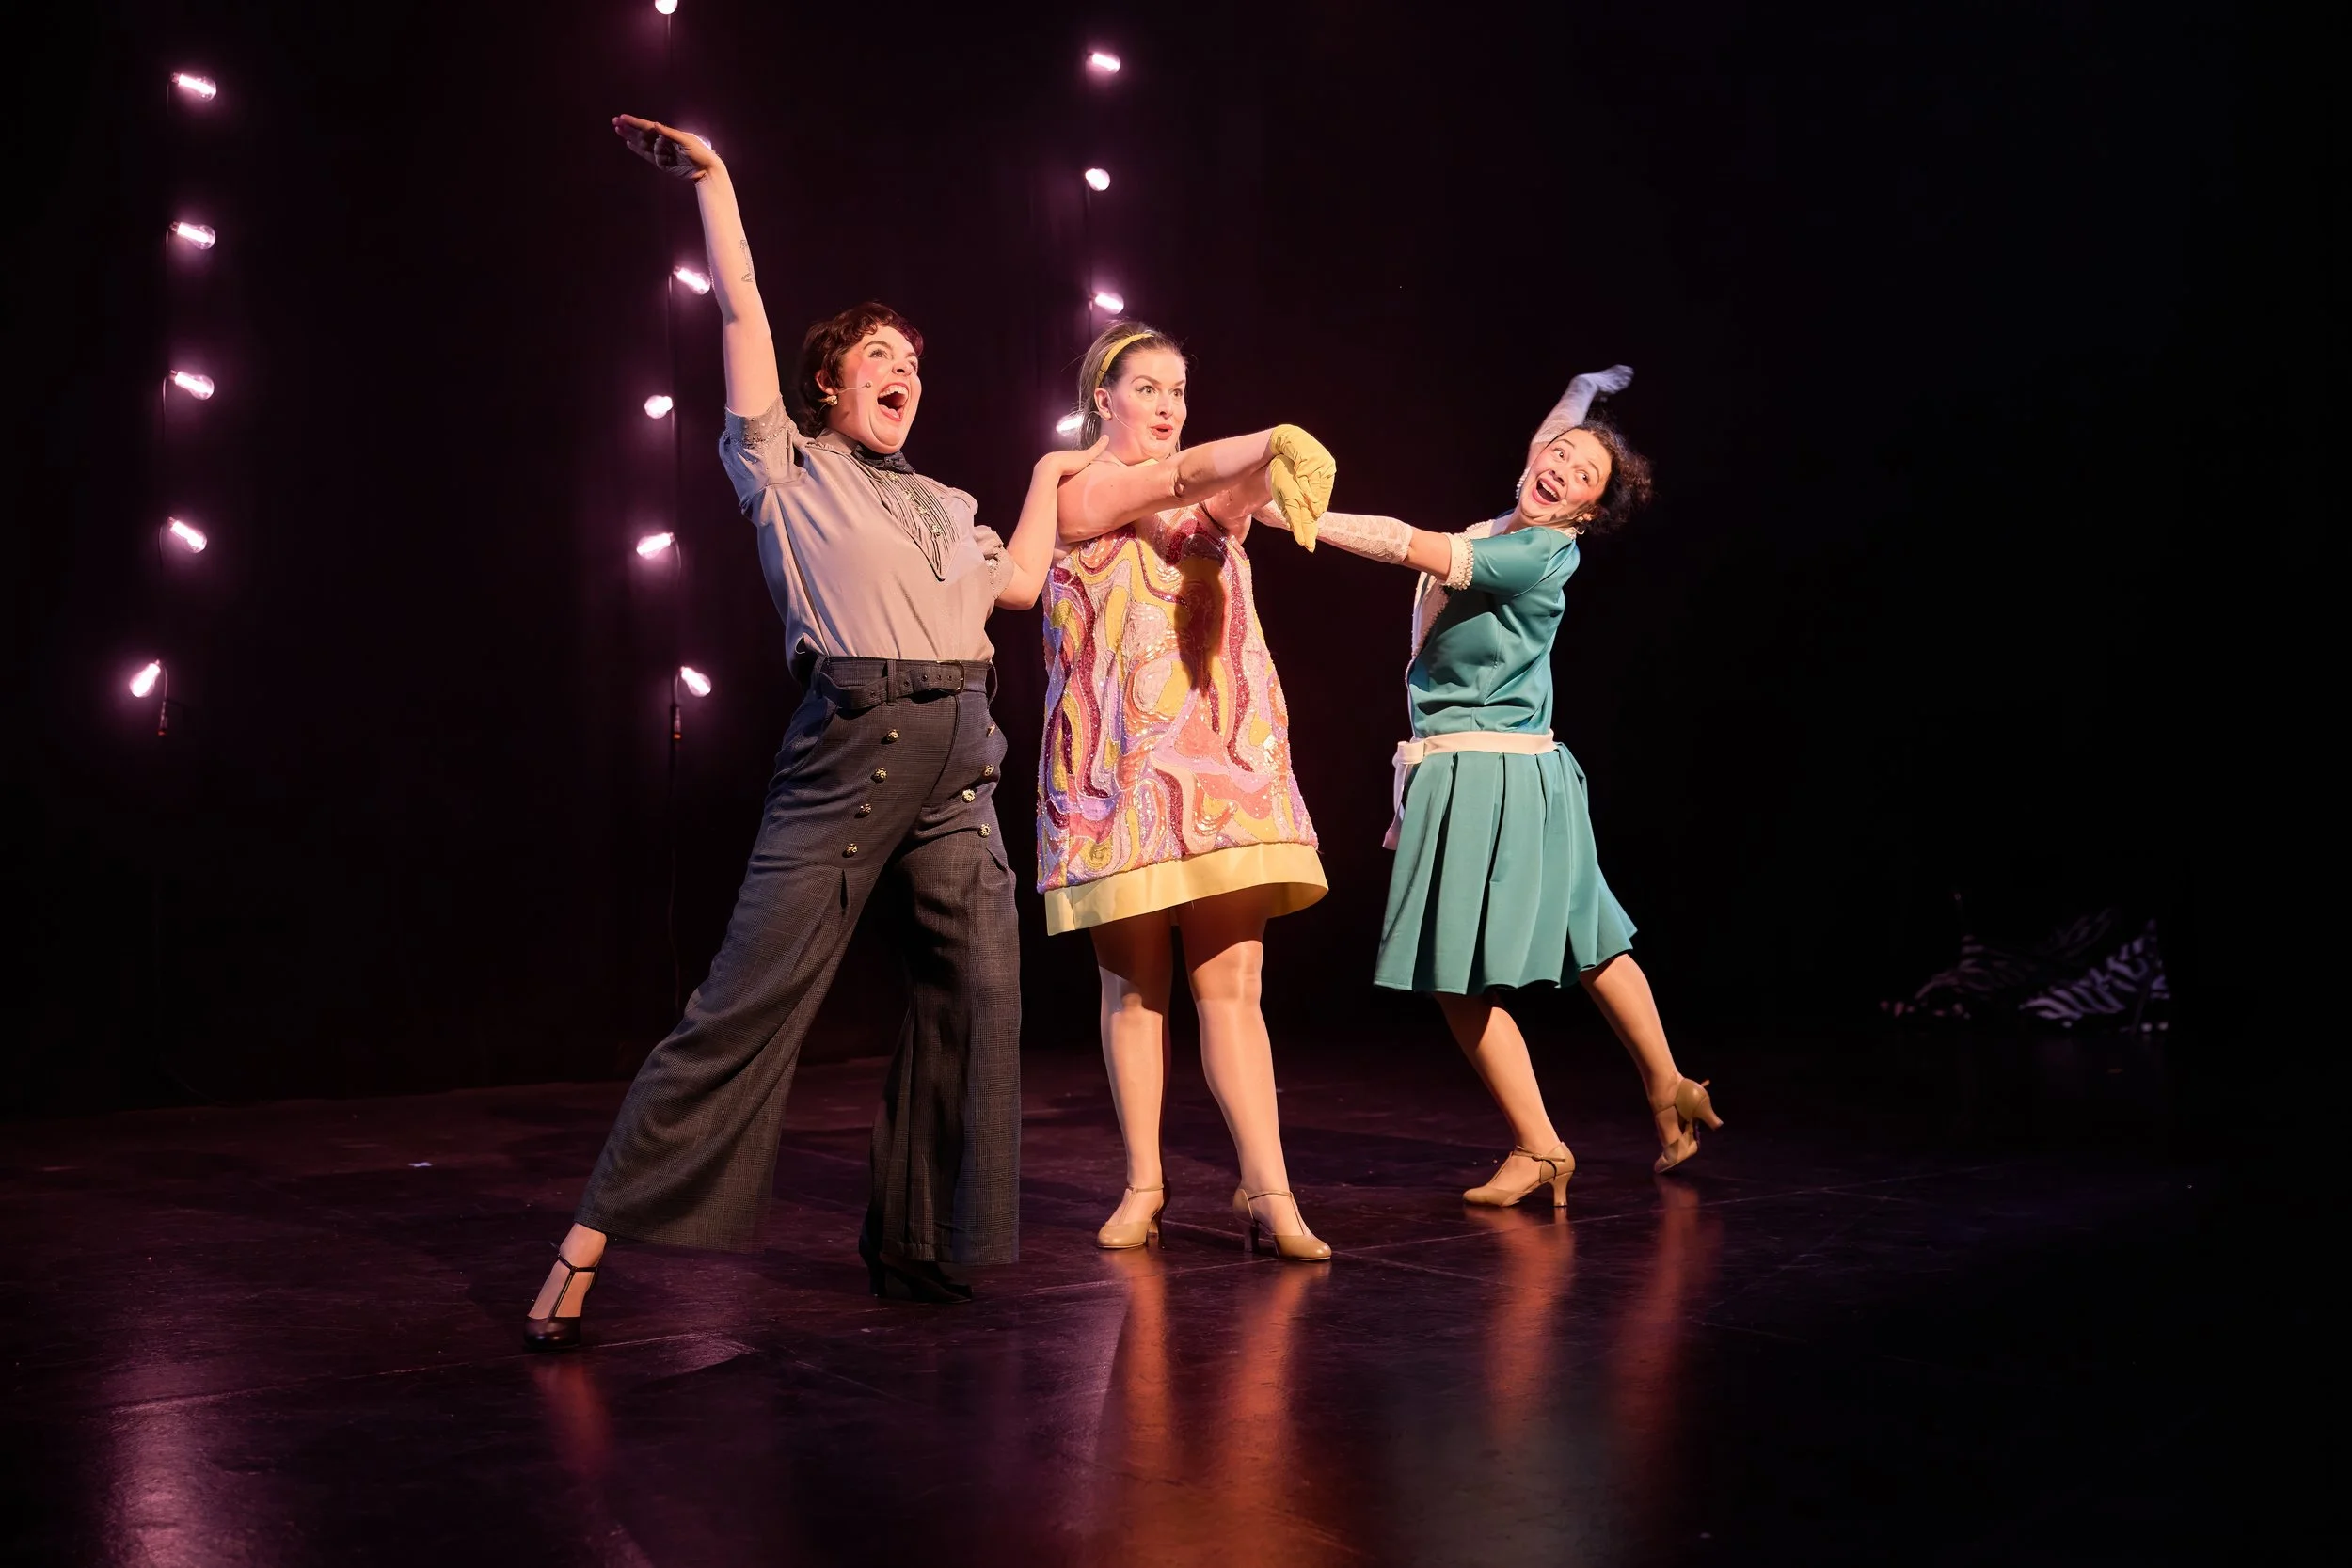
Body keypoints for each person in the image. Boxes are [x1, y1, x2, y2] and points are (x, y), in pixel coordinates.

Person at [524, 116, 1097, 1348]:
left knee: (979, 989)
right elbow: (739, 313)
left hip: (960, 760)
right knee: (746, 1000)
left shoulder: (948, 499)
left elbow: (1014, 590)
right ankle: (587, 1238)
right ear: (829, 385)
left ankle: (914, 1240)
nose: (904, 372)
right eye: (878, 358)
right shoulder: (782, 467)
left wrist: (1057, 478)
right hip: (855, 746)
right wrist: (719, 183)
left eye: (914, 362)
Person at [1259, 367, 1724, 1203]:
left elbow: (1408, 542)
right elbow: (1552, 437)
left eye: (1586, 477)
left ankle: (1542, 1145)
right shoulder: (1526, 514)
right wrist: (1583, 393)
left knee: (1457, 971)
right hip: (1524, 768)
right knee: (1593, 937)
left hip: (1485, 773)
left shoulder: (1530, 551)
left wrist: (1303, 517)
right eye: (1561, 457)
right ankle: (1668, 1083)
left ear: (1588, 512)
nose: (1564, 470)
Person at [1026, 321, 1337, 1261]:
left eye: (1178, 390)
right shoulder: (1080, 490)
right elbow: (1170, 480)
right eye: (1149, 388)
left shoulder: (1212, 500)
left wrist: (1273, 463)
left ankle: (1271, 1189)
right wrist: (1271, 436)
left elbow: (1225, 486)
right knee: (1134, 989)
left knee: (1233, 986)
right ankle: (1144, 1183)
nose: (1166, 406)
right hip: (1117, 778)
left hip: (1221, 768)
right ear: (1103, 399)